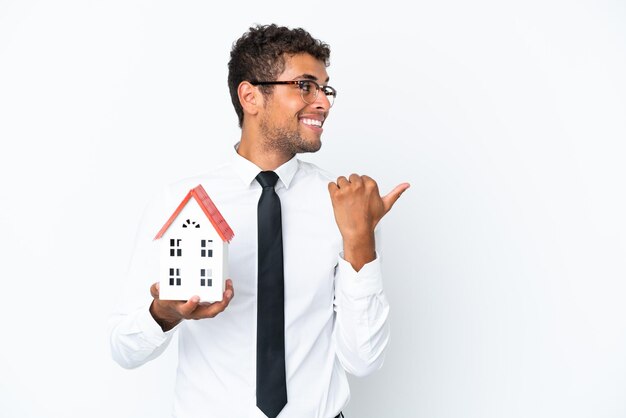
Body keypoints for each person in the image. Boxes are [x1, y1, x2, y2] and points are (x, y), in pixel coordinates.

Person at [109, 23, 409, 418]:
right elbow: (123, 350)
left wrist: (359, 244)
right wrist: (163, 314)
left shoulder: (345, 206)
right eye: (305, 85)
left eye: (325, 88)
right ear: (251, 96)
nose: (323, 102)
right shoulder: (180, 204)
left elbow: (363, 360)